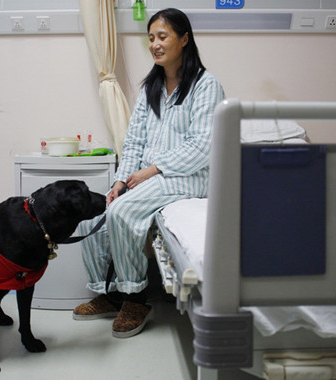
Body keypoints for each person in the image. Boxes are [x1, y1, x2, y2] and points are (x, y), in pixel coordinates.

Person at [73, 8, 224, 338]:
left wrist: (151, 171)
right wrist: (118, 181)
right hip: (152, 175)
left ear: (184, 39)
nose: (155, 44)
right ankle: (109, 292)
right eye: (151, 37)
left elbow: (202, 146)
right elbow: (134, 141)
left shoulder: (206, 86)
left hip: (189, 176)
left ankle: (135, 298)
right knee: (95, 211)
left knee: (124, 211)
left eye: (163, 36)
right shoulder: (150, 88)